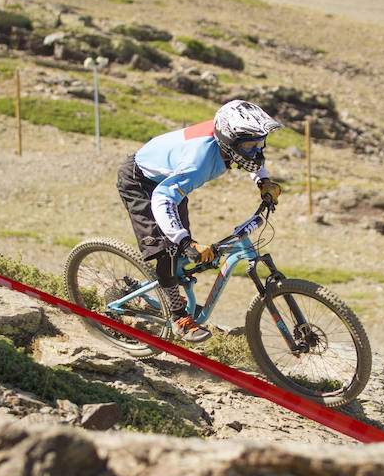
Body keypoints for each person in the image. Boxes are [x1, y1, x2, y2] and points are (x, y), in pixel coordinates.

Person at [116, 99, 283, 343]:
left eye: (260, 143)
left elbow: (254, 157)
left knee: (182, 252)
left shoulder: (229, 136)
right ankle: (177, 316)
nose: (256, 150)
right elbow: (162, 198)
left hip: (171, 177)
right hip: (142, 182)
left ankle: (168, 283)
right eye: (249, 145)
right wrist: (185, 243)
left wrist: (263, 181)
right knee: (169, 248)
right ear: (229, 142)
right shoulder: (199, 162)